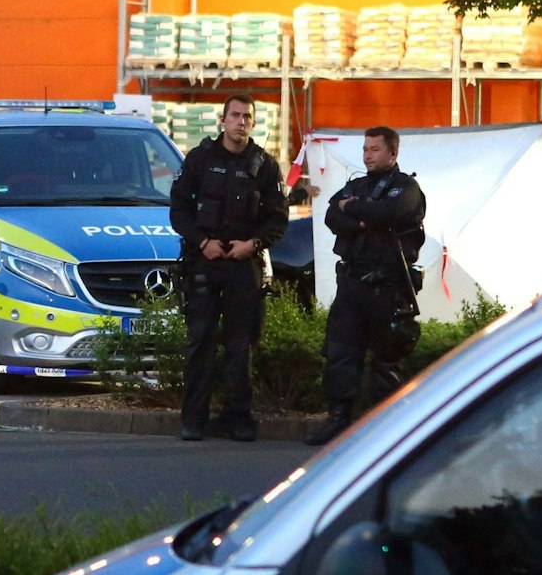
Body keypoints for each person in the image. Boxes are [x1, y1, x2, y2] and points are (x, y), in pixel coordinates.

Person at [169, 94, 288, 442]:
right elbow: (178, 210)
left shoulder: (264, 165)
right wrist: (202, 242)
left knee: (241, 346)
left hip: (242, 264)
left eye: (247, 117)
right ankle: (193, 420)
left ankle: (238, 418)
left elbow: (277, 219)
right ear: (222, 120)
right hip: (204, 261)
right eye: (234, 116)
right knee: (200, 342)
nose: (241, 122)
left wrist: (252, 244)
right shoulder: (199, 160)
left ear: (253, 122)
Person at [306, 125, 426, 446]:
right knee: (340, 354)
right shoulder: (356, 184)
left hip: (388, 286)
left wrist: (356, 211)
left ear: (392, 152)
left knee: (388, 360)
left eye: (374, 149)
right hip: (352, 283)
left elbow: (389, 212)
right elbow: (333, 216)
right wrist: (363, 219)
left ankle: (385, 430)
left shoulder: (406, 187)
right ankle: (338, 421)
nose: (367, 155)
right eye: (365, 149)